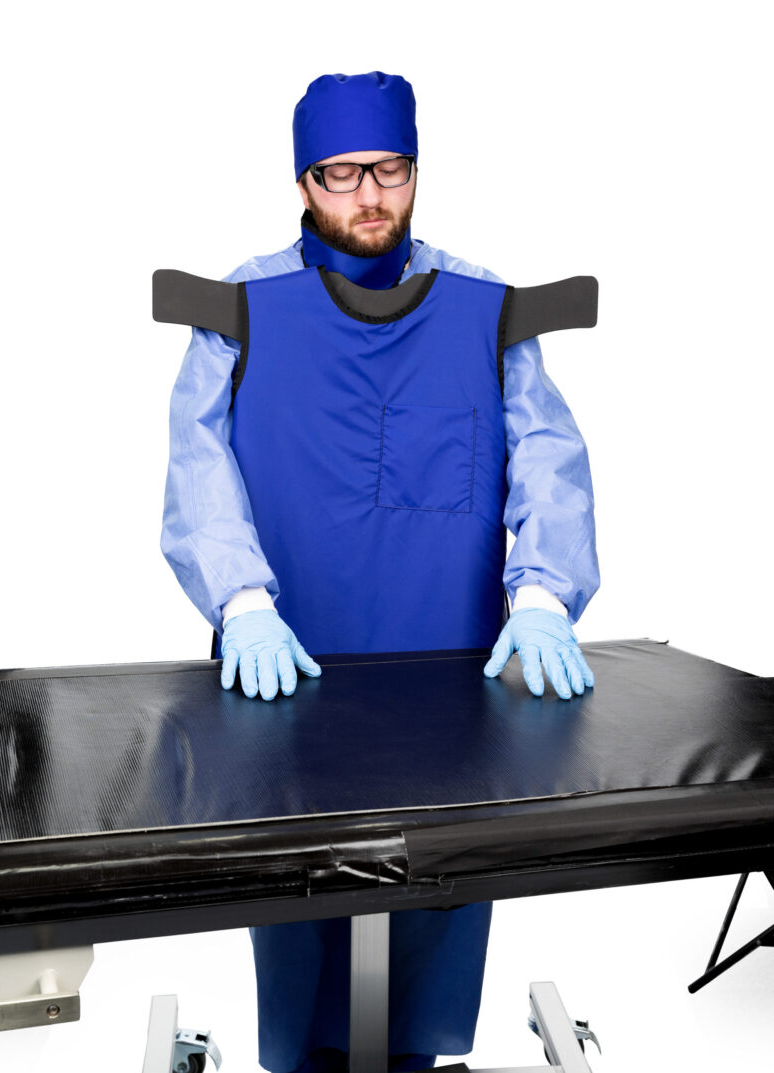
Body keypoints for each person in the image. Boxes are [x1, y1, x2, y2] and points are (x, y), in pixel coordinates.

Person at [161, 71, 599, 1073]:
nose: (369, 195)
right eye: (341, 173)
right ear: (302, 182)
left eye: (389, 169)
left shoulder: (482, 306)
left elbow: (547, 454)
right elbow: (196, 464)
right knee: (296, 903)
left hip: (449, 675)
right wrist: (240, 601)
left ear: (415, 170)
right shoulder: (244, 307)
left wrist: (541, 593)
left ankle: (414, 1056)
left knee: (440, 897)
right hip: (288, 668)